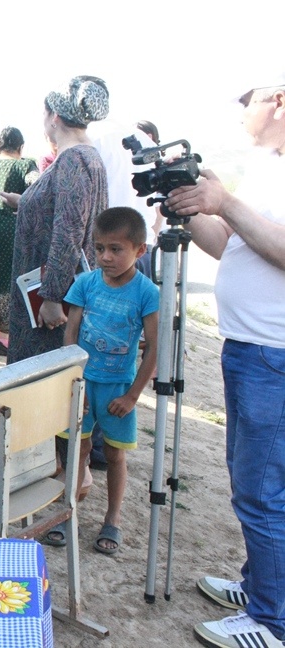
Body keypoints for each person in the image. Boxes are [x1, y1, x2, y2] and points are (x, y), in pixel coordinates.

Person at [164, 74, 285, 648]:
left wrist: (228, 201)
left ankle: (272, 620)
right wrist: (192, 209)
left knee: (262, 491)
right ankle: (262, 587)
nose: (244, 110)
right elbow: (230, 247)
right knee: (254, 482)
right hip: (250, 348)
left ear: (280, 103)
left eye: (254, 99)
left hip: (274, 355)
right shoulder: (268, 168)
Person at [63, 207, 159, 555]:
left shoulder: (146, 293)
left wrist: (133, 396)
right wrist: (73, 382)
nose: (105, 257)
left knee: (116, 455)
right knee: (79, 449)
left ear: (139, 250)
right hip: (82, 384)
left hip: (119, 387)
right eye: (99, 247)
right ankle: (67, 510)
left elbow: (153, 350)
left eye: (116, 249)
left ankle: (113, 519)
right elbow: (70, 335)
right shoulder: (85, 284)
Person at [7, 75, 109, 366]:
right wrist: (25, 202)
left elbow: (70, 231)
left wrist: (51, 297)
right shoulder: (86, 157)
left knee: (38, 378)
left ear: (54, 116)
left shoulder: (73, 160)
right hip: (60, 292)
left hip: (51, 303)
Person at [0, 127, 39, 355]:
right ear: (20, 147)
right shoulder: (25, 164)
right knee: (7, 280)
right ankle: (3, 337)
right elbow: (36, 184)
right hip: (12, 230)